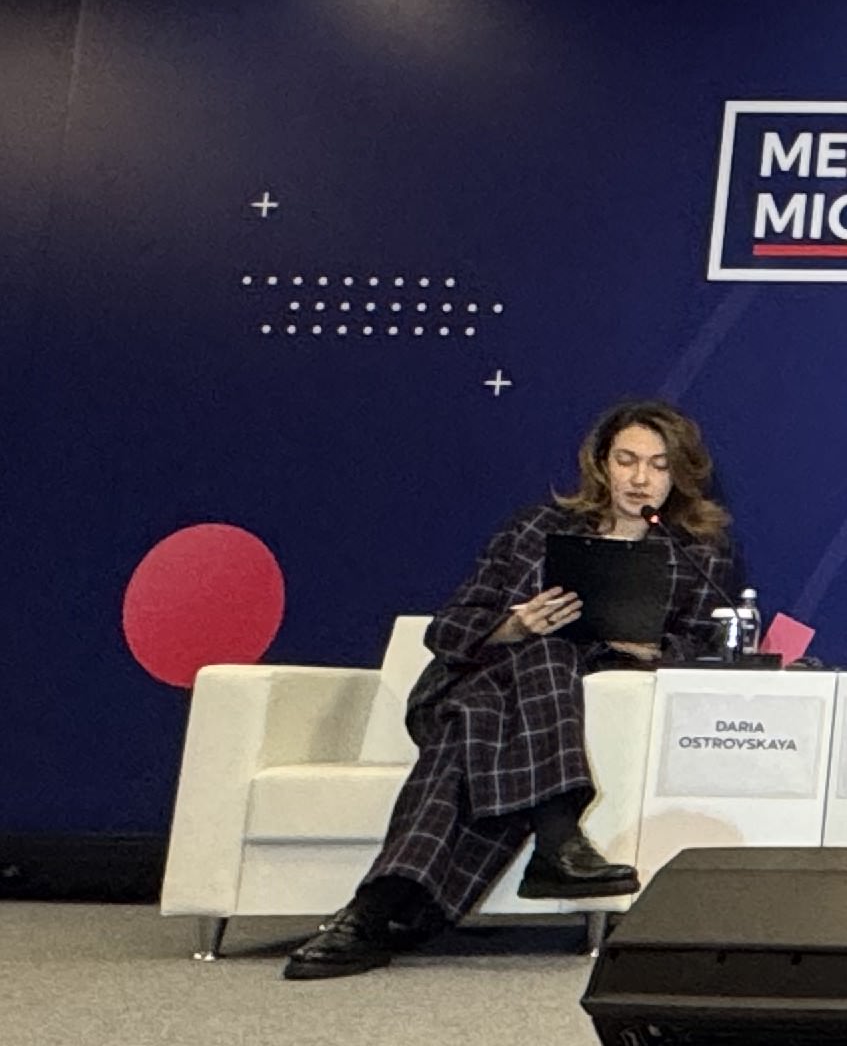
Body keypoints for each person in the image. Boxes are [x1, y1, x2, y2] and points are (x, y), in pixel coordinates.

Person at [280, 400, 748, 980]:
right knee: (543, 648)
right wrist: (514, 625)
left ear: (678, 474)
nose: (640, 478)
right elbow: (446, 627)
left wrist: (648, 650)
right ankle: (558, 837)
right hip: (468, 682)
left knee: (477, 723)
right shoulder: (535, 528)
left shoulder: (695, 551)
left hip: (491, 713)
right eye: (626, 460)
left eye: (658, 465)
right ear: (601, 464)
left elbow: (705, 644)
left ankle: (374, 912)